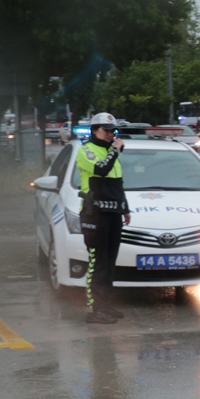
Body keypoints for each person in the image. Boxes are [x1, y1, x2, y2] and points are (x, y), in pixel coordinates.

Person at [77, 112, 131, 324]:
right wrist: (115, 151)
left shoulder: (111, 153)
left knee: (109, 263)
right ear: (94, 130)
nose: (110, 134)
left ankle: (106, 305)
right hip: (95, 214)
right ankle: (95, 309)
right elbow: (101, 170)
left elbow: (117, 184)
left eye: (113, 131)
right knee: (97, 263)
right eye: (106, 130)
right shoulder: (87, 151)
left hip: (113, 214)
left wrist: (125, 208)